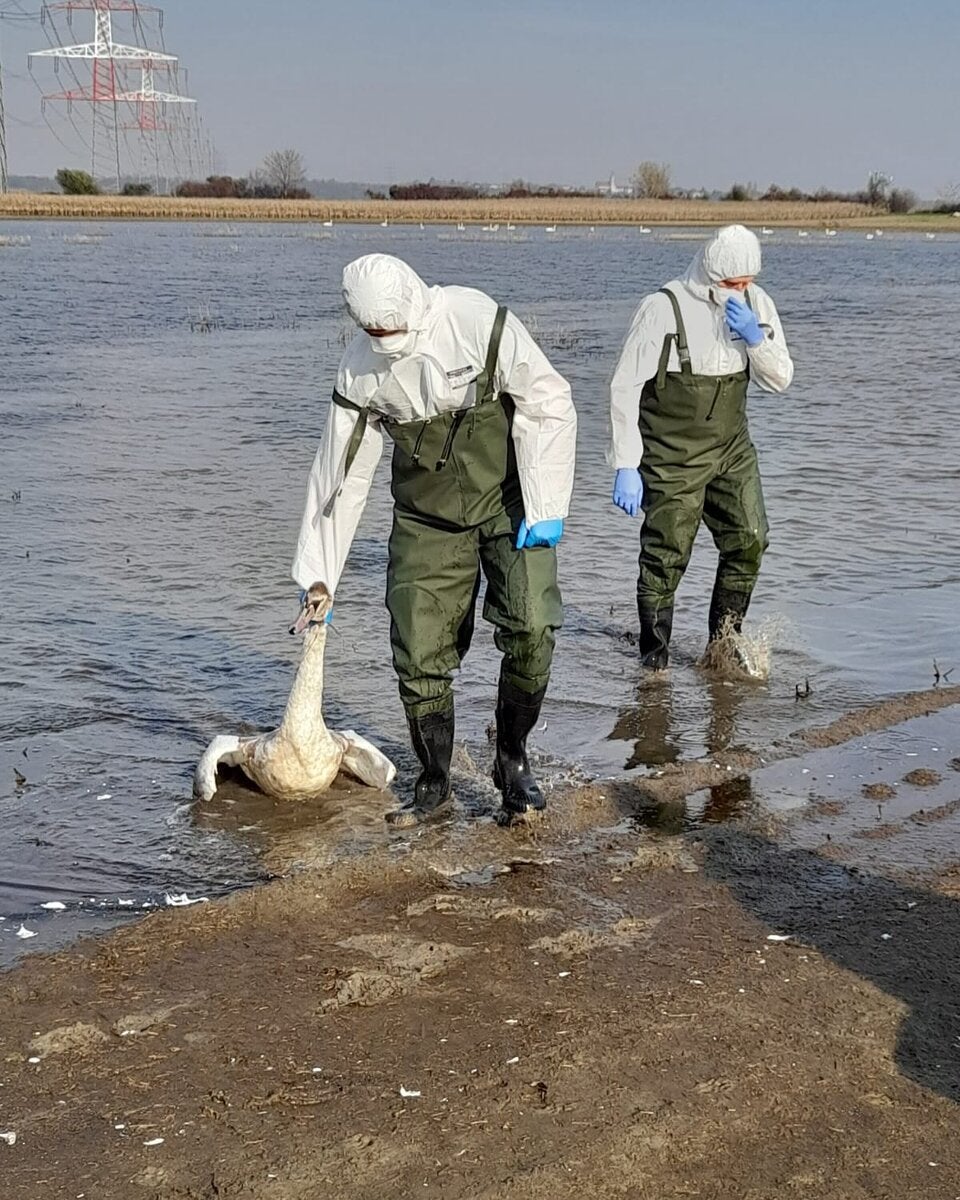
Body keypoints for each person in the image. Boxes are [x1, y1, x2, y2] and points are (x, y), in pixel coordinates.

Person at [293, 254, 577, 827]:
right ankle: (435, 782)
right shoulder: (360, 371)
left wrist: (546, 504)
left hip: (509, 500)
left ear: (412, 303)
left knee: (532, 626)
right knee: (418, 649)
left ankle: (513, 761)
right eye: (373, 332)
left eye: (391, 328)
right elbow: (339, 475)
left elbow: (547, 399)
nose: (385, 339)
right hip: (426, 517)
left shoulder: (476, 321)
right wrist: (320, 576)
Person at [608, 224, 794, 670]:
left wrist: (756, 340)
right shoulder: (663, 307)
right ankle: (654, 663)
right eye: (733, 283)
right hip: (672, 454)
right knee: (665, 556)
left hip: (732, 449)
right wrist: (626, 463)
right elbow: (624, 387)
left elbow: (780, 379)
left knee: (750, 540)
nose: (741, 290)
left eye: (748, 281)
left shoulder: (757, 304)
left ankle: (723, 644)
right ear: (711, 274)